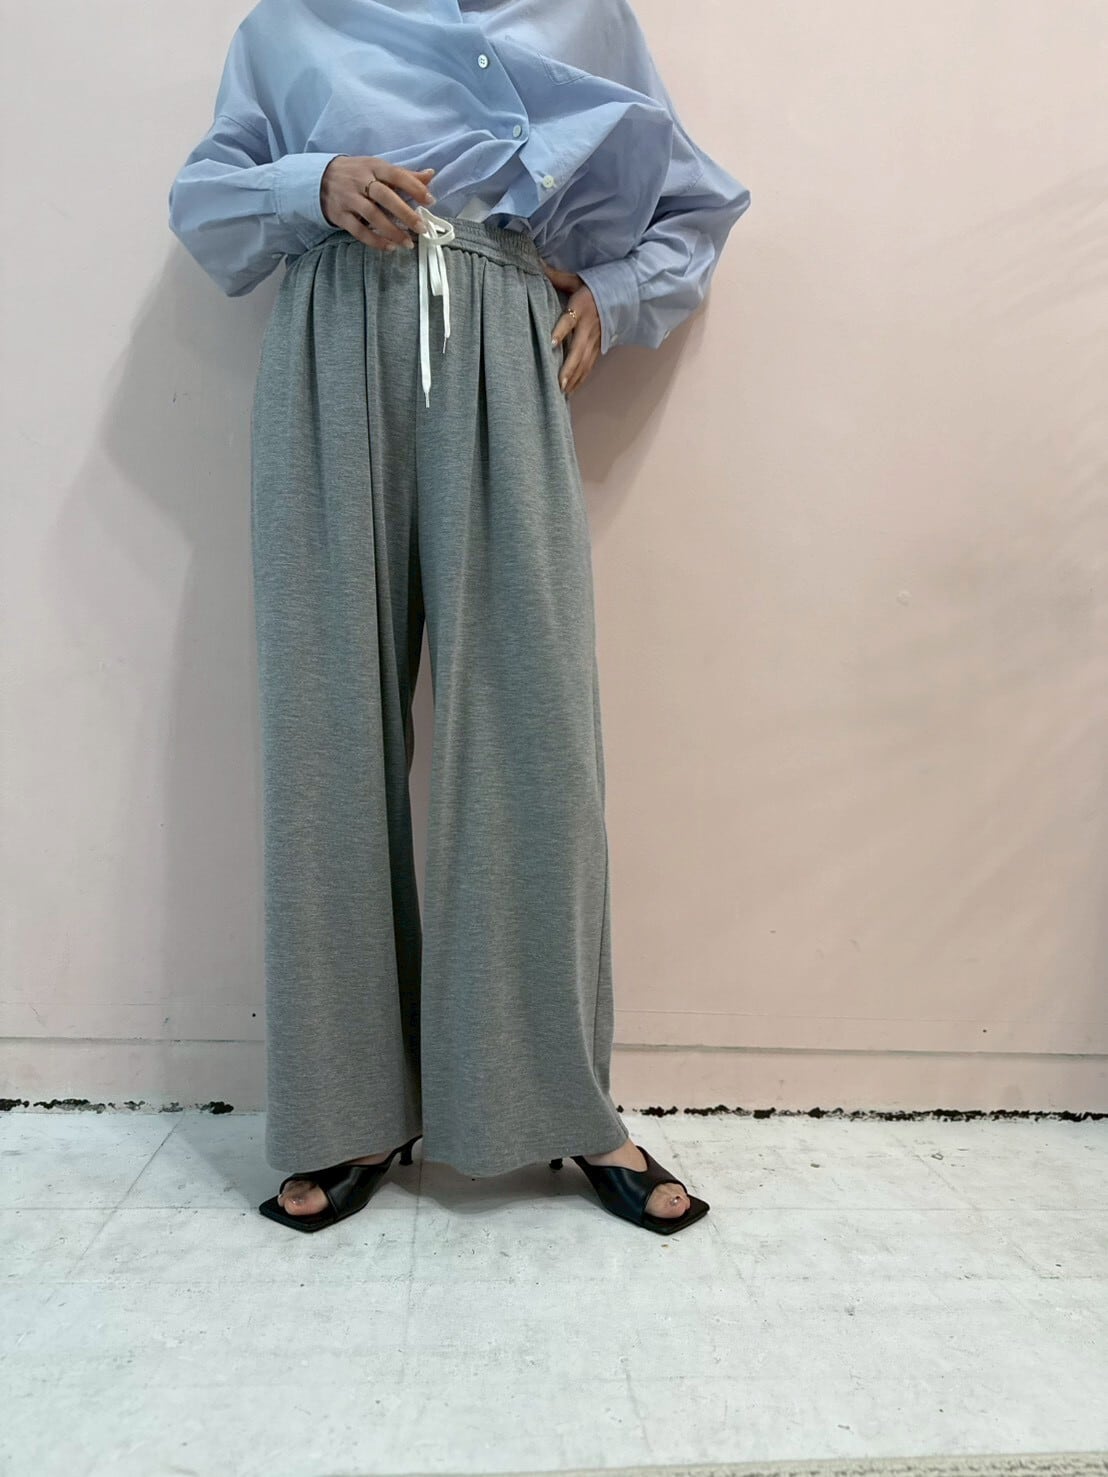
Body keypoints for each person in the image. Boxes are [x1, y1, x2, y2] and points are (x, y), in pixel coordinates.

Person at [167, 0, 751, 1237]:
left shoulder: (584, 16)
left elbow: (693, 202)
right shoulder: (291, 22)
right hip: (328, 335)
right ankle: (346, 1108)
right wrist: (313, 183)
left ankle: (557, 1099)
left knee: (532, 732)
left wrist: (616, 291)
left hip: (500, 332)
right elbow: (206, 199)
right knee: (326, 733)